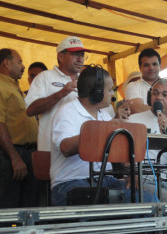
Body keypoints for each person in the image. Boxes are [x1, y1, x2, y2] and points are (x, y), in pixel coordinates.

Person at [50, 65, 154, 206]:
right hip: (71, 183)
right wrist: (105, 129)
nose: (112, 94)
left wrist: (131, 173)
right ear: (97, 92)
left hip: (104, 180)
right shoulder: (67, 111)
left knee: (147, 199)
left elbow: (117, 151)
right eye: (110, 90)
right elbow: (66, 148)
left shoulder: (103, 114)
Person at [25, 36, 88, 151]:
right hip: (50, 150)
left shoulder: (85, 81)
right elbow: (30, 110)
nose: (80, 59)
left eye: (82, 55)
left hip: (79, 151)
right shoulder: (45, 77)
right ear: (60, 56)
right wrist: (62, 92)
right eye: (75, 54)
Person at [0, 48, 38, 208]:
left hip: (26, 154)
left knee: (27, 207)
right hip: (10, 155)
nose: (23, 66)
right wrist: (15, 158)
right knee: (8, 207)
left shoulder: (13, 86)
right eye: (19, 61)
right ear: (7, 63)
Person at [125, 48, 161, 114]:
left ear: (160, 66)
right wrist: (165, 110)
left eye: (154, 64)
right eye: (146, 65)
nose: (151, 68)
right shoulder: (133, 86)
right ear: (140, 68)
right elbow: (137, 109)